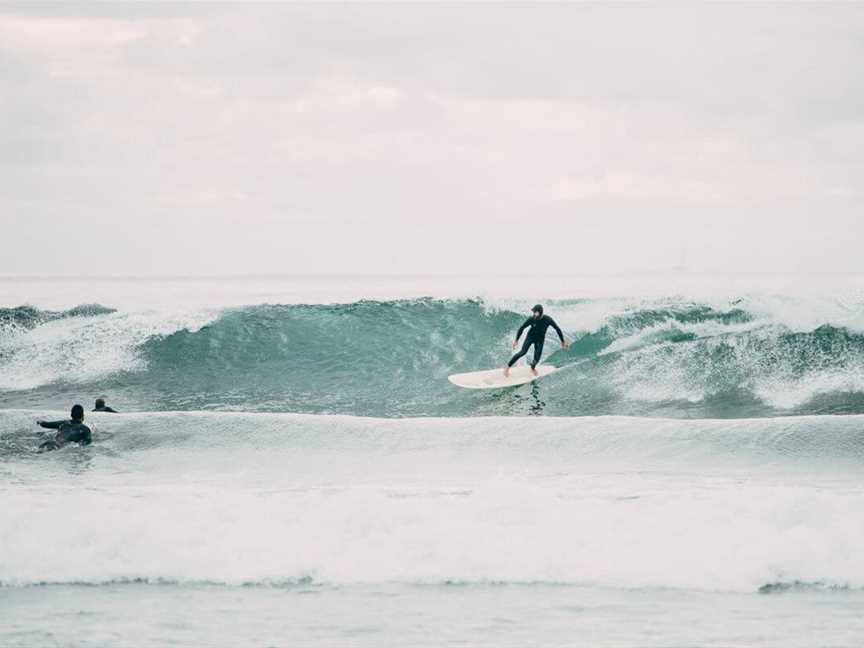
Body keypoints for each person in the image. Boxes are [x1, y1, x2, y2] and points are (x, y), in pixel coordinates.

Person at [504, 304, 568, 377]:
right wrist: (516, 340)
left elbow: (557, 329)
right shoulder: (532, 319)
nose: (533, 314)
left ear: (539, 313)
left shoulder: (548, 319)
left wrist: (562, 341)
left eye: (535, 312)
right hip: (530, 337)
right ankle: (507, 368)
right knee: (522, 352)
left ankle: (532, 368)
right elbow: (522, 328)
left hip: (540, 340)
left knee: (537, 359)